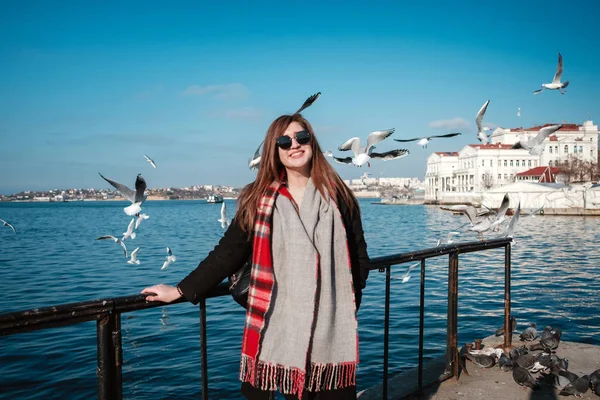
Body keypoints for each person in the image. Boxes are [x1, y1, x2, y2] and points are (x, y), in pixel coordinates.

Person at [142, 113, 371, 400]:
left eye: (302, 137)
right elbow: (228, 253)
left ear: (312, 142)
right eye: (284, 141)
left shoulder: (339, 197)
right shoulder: (259, 200)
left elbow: (358, 256)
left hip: (331, 326)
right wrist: (179, 290)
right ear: (273, 150)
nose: (294, 146)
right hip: (280, 323)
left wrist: (346, 305)